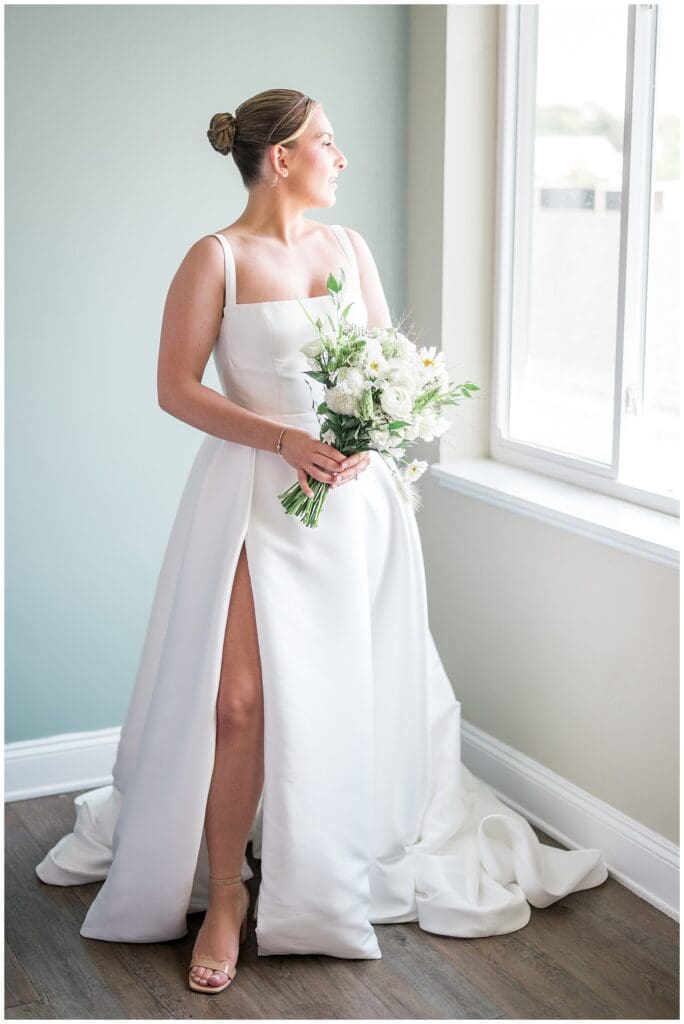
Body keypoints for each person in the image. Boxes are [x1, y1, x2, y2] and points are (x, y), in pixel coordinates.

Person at [35, 88, 608, 995]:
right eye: (327, 143)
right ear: (281, 158)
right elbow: (175, 389)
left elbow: (389, 369)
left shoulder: (349, 250)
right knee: (238, 704)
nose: (342, 159)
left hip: (350, 505)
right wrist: (282, 438)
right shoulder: (214, 258)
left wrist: (366, 431)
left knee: (334, 700)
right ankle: (226, 894)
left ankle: (316, 876)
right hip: (249, 498)